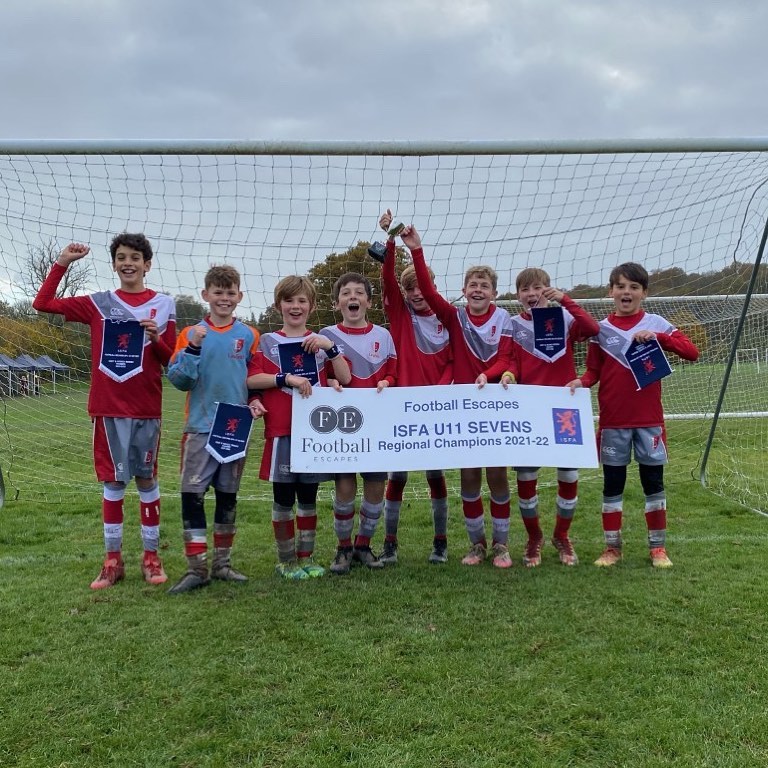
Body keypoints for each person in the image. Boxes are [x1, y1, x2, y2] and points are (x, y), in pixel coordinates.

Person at [32, 234, 176, 589]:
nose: (129, 263)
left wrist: (157, 338)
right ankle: (112, 560)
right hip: (108, 408)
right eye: (122, 257)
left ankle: (151, 557)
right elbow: (43, 303)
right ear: (114, 264)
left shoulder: (165, 304)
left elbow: (173, 361)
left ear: (148, 263)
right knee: (113, 482)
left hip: (147, 407)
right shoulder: (98, 303)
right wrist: (62, 262)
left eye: (136, 257)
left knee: (146, 480)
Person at [567, 262, 699, 568]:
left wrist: (658, 337)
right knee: (612, 485)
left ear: (644, 293)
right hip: (613, 421)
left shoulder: (656, 323)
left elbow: (691, 352)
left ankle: (658, 549)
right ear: (611, 291)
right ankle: (612, 548)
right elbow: (593, 372)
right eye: (621, 286)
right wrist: (581, 381)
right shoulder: (601, 330)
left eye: (634, 287)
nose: (627, 292)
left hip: (649, 422)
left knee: (653, 483)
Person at [410, 232, 515, 568]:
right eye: (472, 284)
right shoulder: (454, 317)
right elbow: (427, 290)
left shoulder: (505, 320)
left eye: (484, 284)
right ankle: (476, 545)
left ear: (494, 292)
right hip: (464, 408)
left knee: (497, 475)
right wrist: (417, 250)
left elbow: (508, 358)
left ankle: (501, 545)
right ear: (465, 289)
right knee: (469, 476)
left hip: (496, 406)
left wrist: (492, 374)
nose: (478, 289)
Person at [166, 265, 266, 594]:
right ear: (205, 295)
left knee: (228, 496)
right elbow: (179, 381)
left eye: (230, 292)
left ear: (239, 296)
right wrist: (193, 347)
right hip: (199, 427)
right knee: (192, 495)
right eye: (218, 292)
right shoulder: (189, 334)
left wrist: (254, 400)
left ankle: (222, 564)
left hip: (234, 427)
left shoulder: (250, 336)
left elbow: (254, 378)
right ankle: (197, 568)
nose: (224, 298)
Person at [247, 275, 351, 580]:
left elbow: (343, 378)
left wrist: (330, 348)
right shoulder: (267, 342)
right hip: (281, 431)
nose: (296, 306)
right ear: (279, 304)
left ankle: (306, 556)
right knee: (283, 498)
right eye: (289, 300)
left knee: (308, 497)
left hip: (313, 433)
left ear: (312, 306)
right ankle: (286, 560)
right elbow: (252, 380)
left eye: (302, 301)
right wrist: (285, 379)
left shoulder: (318, 344)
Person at [504, 267, 599, 567]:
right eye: (524, 290)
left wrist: (566, 300)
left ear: (547, 289)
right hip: (529, 410)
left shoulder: (565, 318)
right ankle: (534, 538)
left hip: (564, 409)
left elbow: (593, 329)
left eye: (537, 288)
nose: (531, 294)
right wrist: (509, 373)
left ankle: (562, 535)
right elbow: (513, 362)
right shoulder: (514, 324)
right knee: (526, 478)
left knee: (568, 476)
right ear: (518, 295)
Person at [373, 210, 452, 565]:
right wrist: (390, 239)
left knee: (436, 475)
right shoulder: (400, 315)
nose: (418, 292)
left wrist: (444, 387)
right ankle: (390, 544)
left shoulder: (447, 318)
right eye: (412, 288)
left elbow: (452, 362)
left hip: (436, 407)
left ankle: (440, 543)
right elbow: (387, 278)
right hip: (401, 407)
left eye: (423, 286)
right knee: (399, 476)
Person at [319, 272, 398, 575]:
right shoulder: (327, 334)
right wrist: (328, 380)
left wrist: (388, 381)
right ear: (337, 302)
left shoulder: (383, 335)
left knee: (376, 484)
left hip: (377, 423)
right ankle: (343, 548)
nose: (353, 297)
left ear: (369, 300)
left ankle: (363, 544)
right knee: (345, 485)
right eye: (346, 293)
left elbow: (393, 371)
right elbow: (321, 372)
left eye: (359, 293)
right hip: (343, 424)